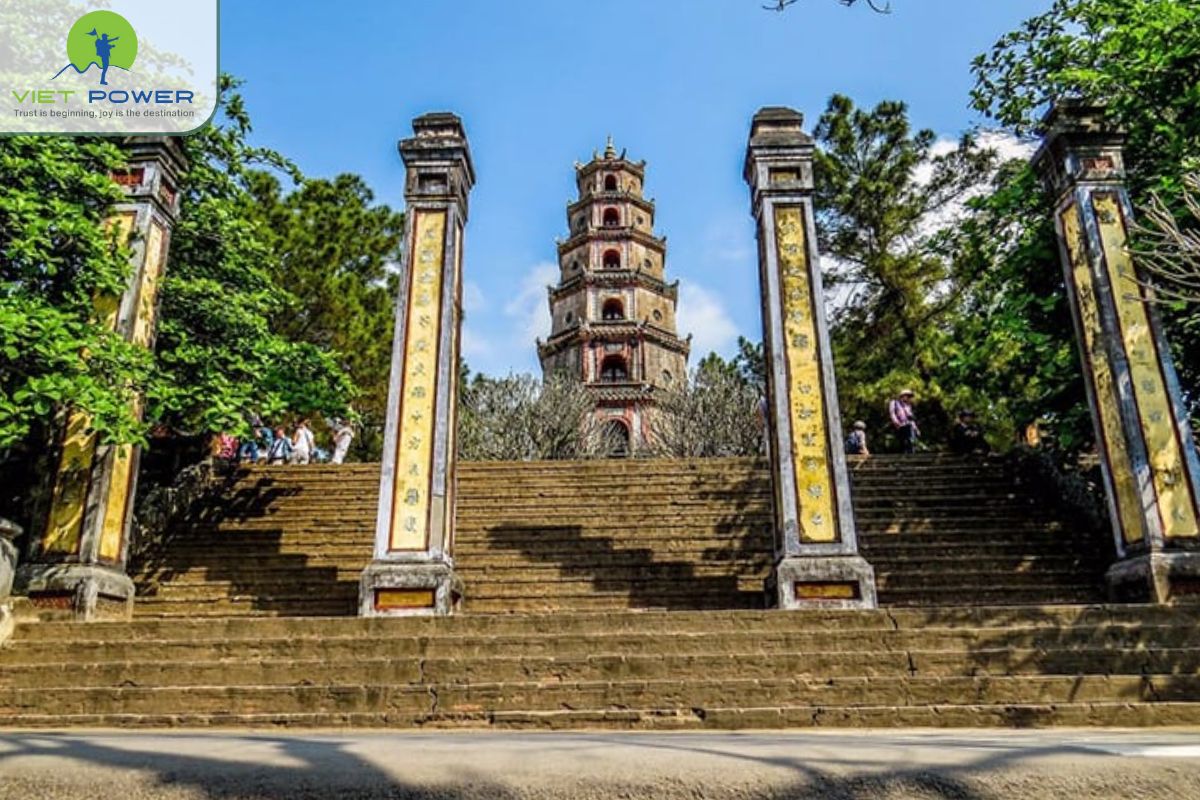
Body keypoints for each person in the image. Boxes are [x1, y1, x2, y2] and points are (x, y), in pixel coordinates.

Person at [888, 389, 920, 454]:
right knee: (902, 442)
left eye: (909, 396)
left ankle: (911, 455)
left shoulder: (908, 405)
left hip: (908, 424)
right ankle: (903, 455)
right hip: (900, 425)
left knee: (911, 440)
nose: (908, 398)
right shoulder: (894, 402)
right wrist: (896, 422)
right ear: (902, 396)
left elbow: (910, 418)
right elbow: (892, 413)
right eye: (907, 396)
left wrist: (916, 428)